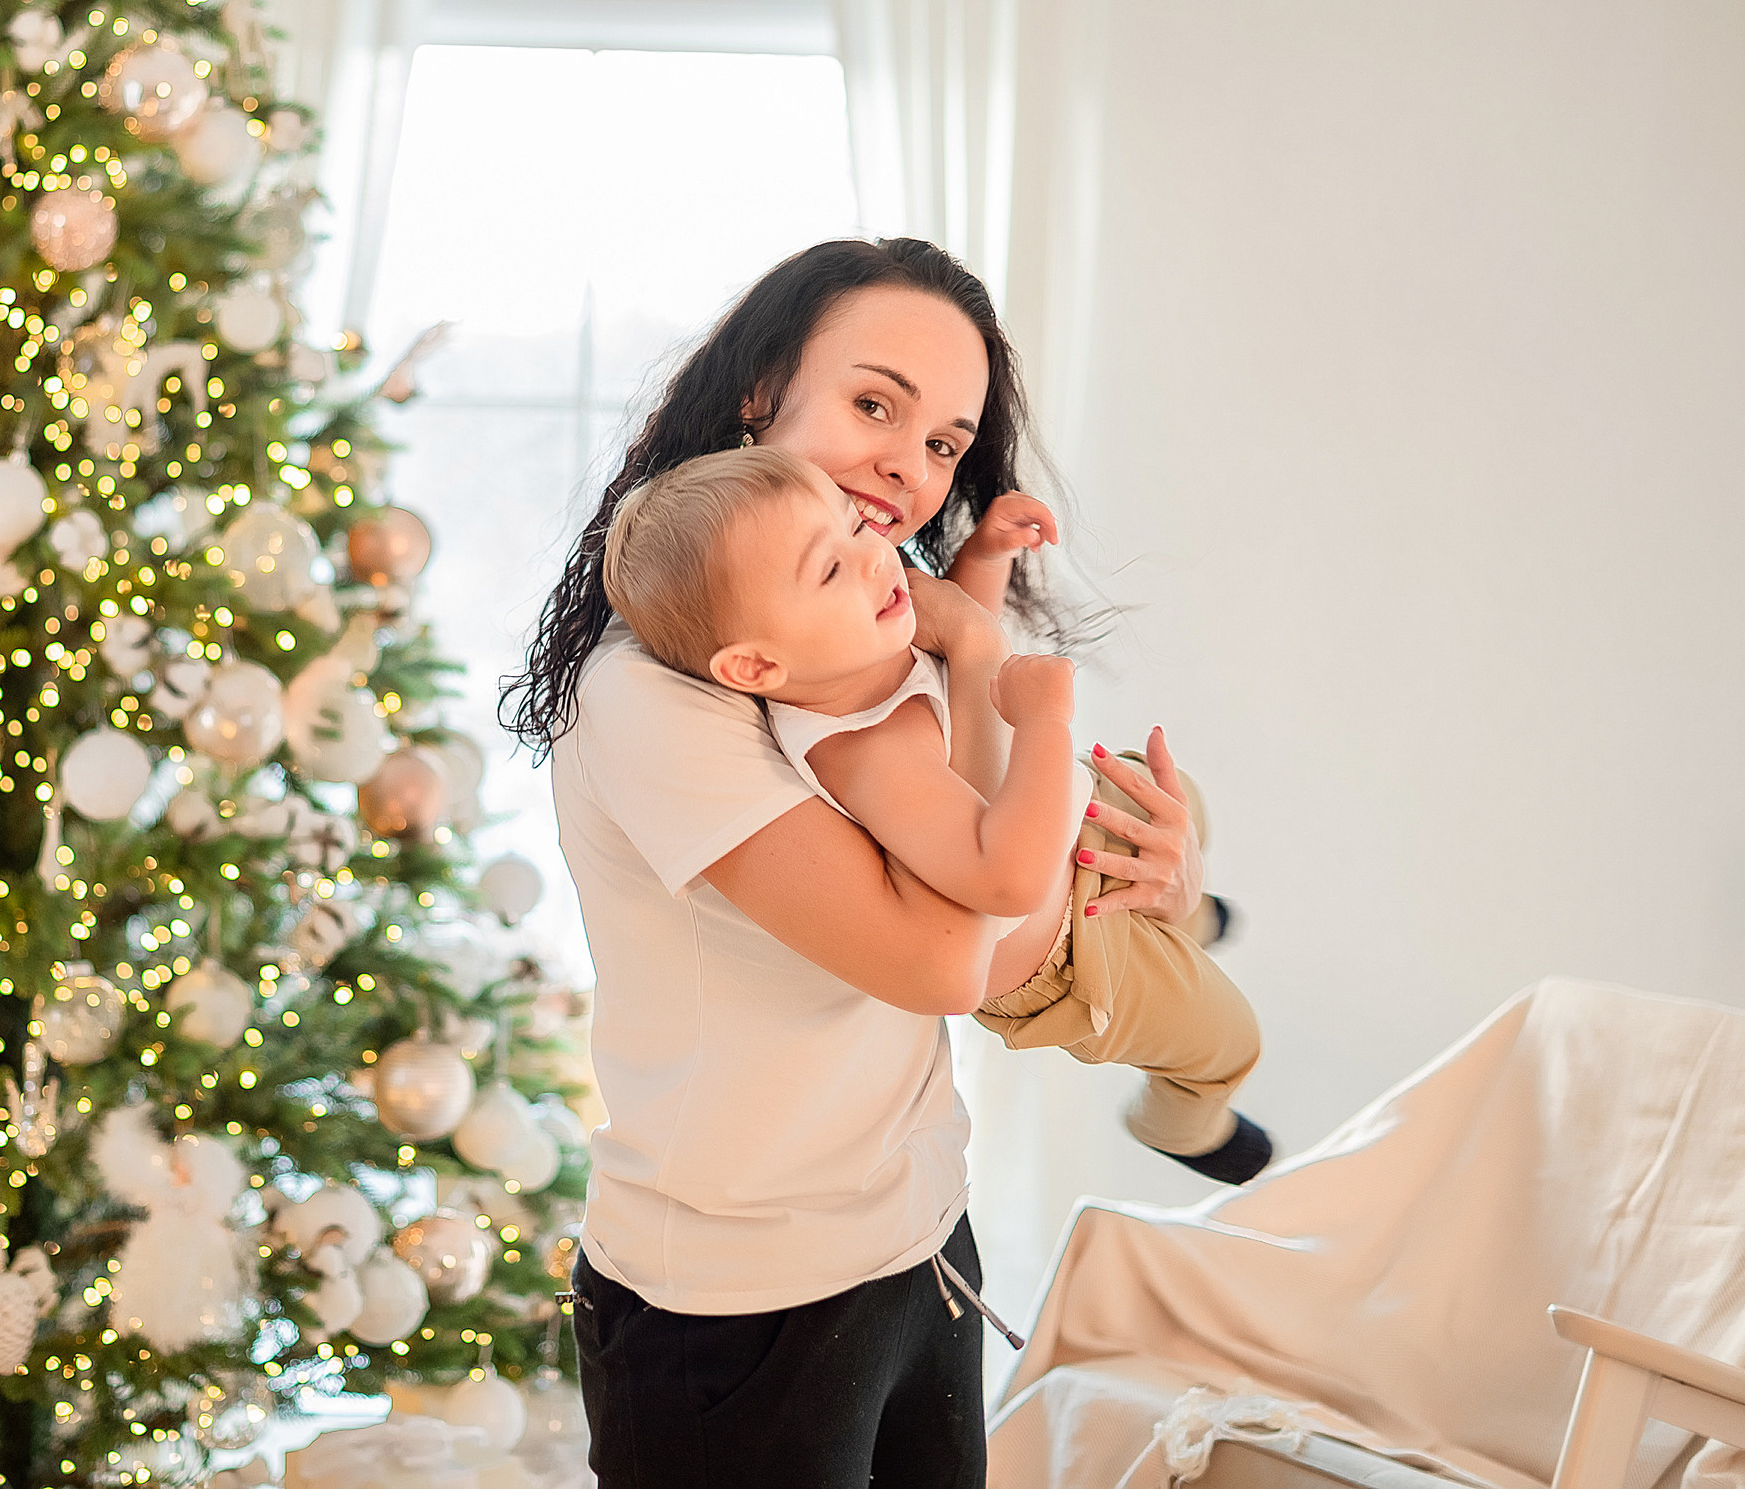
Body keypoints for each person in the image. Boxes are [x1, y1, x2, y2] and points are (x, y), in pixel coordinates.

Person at [503, 236, 1238, 1489]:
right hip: (738, 1303)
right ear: (758, 395)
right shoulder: (653, 694)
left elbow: (997, 848)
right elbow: (961, 953)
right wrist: (977, 680)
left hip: (913, 1246)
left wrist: (1158, 877)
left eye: (946, 439)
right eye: (873, 402)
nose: (909, 464)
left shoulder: (858, 624)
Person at [598, 444, 1268, 1180]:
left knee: (1182, 802)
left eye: (855, 528)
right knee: (1229, 1040)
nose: (876, 559)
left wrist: (987, 555)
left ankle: (1187, 918)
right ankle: (1181, 1122)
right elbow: (1008, 882)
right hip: (1073, 946)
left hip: (1079, 828)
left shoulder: (864, 643)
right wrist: (1044, 723)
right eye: (829, 568)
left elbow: (962, 640)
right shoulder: (871, 752)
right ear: (756, 668)